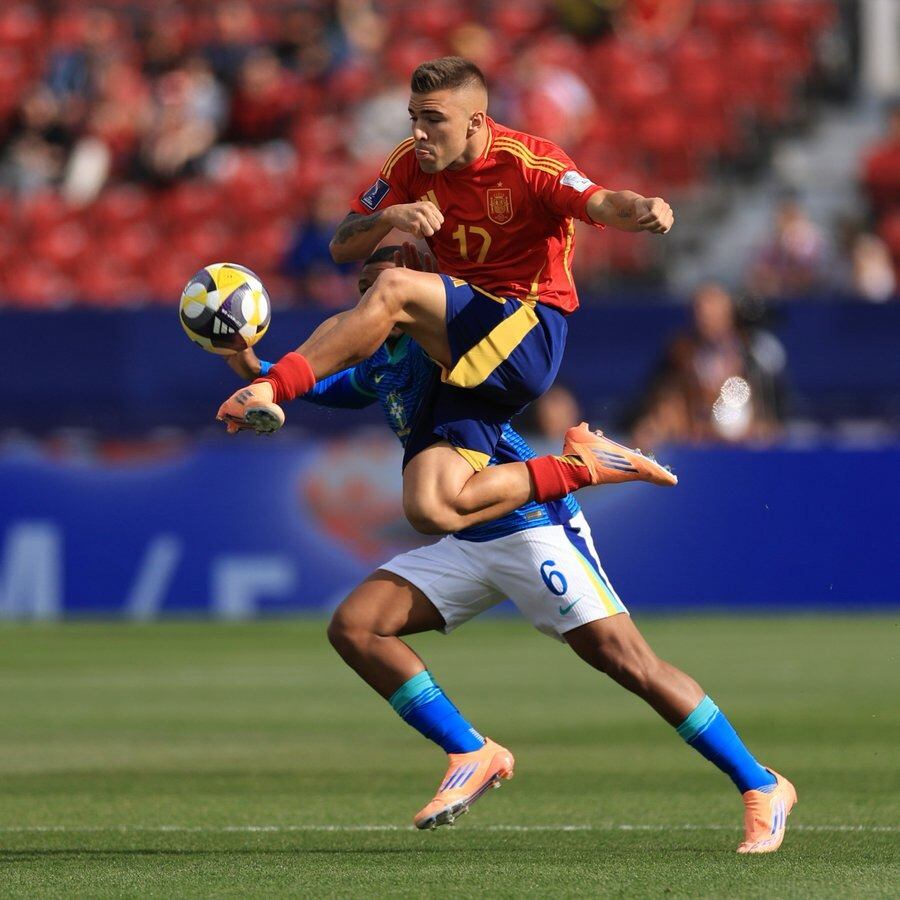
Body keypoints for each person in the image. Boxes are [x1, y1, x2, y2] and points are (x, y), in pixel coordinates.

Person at [226, 247, 798, 853]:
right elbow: (318, 384)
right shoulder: (379, 361)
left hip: (527, 521)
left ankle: (761, 784)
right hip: (468, 534)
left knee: (630, 663)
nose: (366, 304)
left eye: (378, 291)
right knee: (357, 627)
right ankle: (470, 750)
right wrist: (249, 364)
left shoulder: (440, 345)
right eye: (363, 293)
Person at [216, 55, 677, 536]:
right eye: (414, 117)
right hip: (465, 361)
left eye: (433, 119)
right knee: (429, 506)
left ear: (475, 121)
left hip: (526, 329)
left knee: (393, 291)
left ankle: (275, 390)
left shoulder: (528, 162)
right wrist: (390, 218)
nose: (418, 132)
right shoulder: (408, 166)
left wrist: (644, 207)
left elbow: (601, 200)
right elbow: (342, 245)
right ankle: (581, 467)